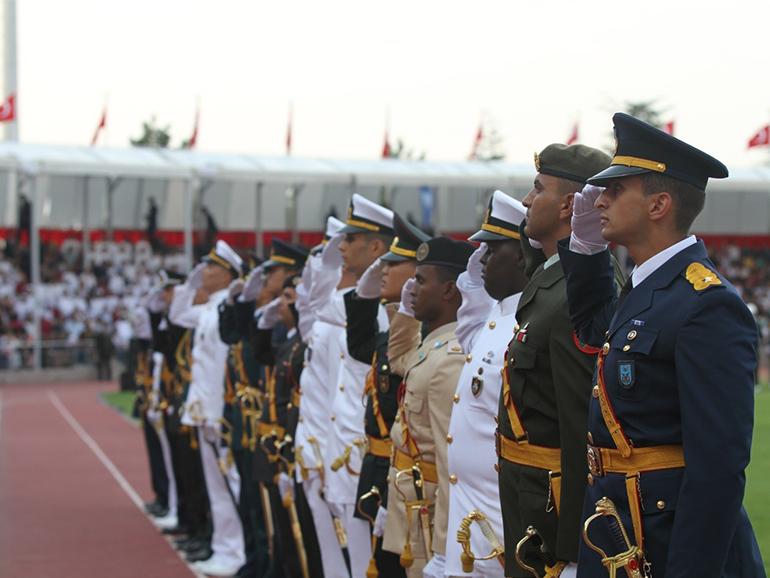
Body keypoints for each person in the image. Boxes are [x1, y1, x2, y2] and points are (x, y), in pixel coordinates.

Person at [558, 113, 766, 578]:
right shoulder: (648, 290)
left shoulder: (705, 304)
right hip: (620, 535)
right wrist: (587, 249)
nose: (600, 201)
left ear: (659, 205)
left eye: (616, 190)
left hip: (666, 545)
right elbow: (595, 332)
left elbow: (717, 469)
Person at [497, 144, 612, 578]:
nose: (526, 200)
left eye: (537, 188)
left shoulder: (574, 292)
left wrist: (572, 551)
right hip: (528, 502)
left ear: (569, 204)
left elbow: (581, 425)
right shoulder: (550, 277)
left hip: (551, 519)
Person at [444, 191, 529, 578]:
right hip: (468, 510)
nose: (483, 262)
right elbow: (469, 328)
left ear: (523, 256)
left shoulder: (527, 322)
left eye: (493, 251)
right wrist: (475, 283)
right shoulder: (497, 314)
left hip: (501, 515)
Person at [383, 236, 475, 578]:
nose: (412, 289)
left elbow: (449, 461)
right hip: (412, 503)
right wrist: (405, 315)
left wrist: (444, 547)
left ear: (449, 290)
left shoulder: (451, 358)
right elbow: (400, 360)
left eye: (421, 281)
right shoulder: (434, 344)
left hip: (431, 513)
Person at [345, 213, 430, 578]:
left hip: (403, 474)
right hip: (380, 469)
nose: (383, 270)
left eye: (394, 264)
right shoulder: (390, 335)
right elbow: (359, 341)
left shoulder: (423, 338)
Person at [325, 193, 394, 578]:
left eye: (350, 240)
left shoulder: (391, 312)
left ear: (376, 247)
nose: (341, 247)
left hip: (368, 450)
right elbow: (317, 303)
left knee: (371, 557)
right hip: (347, 446)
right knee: (350, 551)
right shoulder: (354, 303)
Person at [170, 240, 246, 577]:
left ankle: (236, 552)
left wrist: (219, 413)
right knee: (217, 486)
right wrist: (189, 283)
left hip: (217, 413)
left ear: (228, 273)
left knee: (230, 485)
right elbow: (177, 313)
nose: (205, 272)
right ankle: (223, 548)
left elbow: (222, 368)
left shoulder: (224, 309)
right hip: (203, 411)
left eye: (212, 267)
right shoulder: (209, 309)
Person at [293, 216, 358, 578]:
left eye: (331, 252)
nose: (315, 265)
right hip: (317, 447)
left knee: (347, 550)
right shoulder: (328, 317)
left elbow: (339, 396)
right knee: (329, 549)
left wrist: (323, 451)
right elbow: (311, 301)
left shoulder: (343, 320)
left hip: (334, 453)